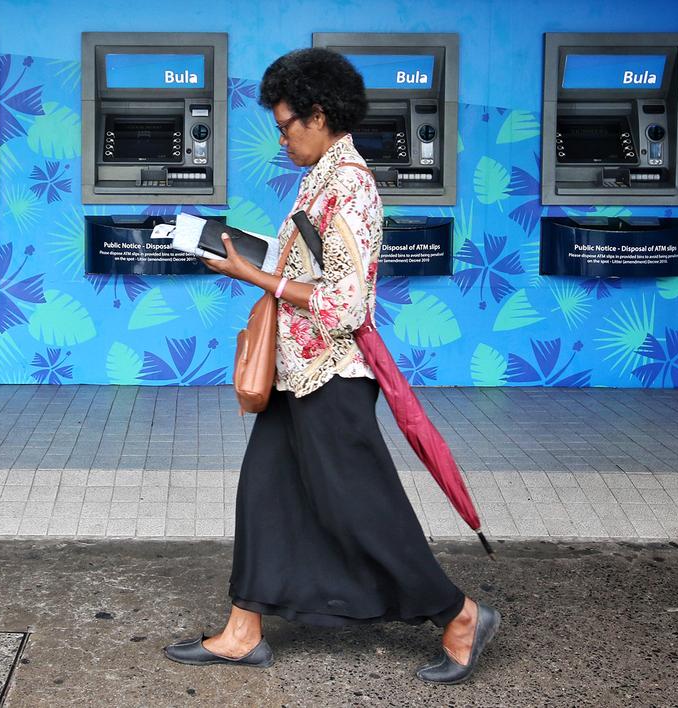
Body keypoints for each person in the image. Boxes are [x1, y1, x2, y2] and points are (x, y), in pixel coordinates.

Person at [162, 48, 500, 685]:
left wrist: (250, 273)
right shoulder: (320, 175)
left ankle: (459, 615)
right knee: (263, 493)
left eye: (287, 124)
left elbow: (345, 304)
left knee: (361, 509)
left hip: (333, 377)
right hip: (299, 372)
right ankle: (243, 629)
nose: (282, 136)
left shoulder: (351, 185)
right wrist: (246, 252)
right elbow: (310, 269)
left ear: (319, 115)